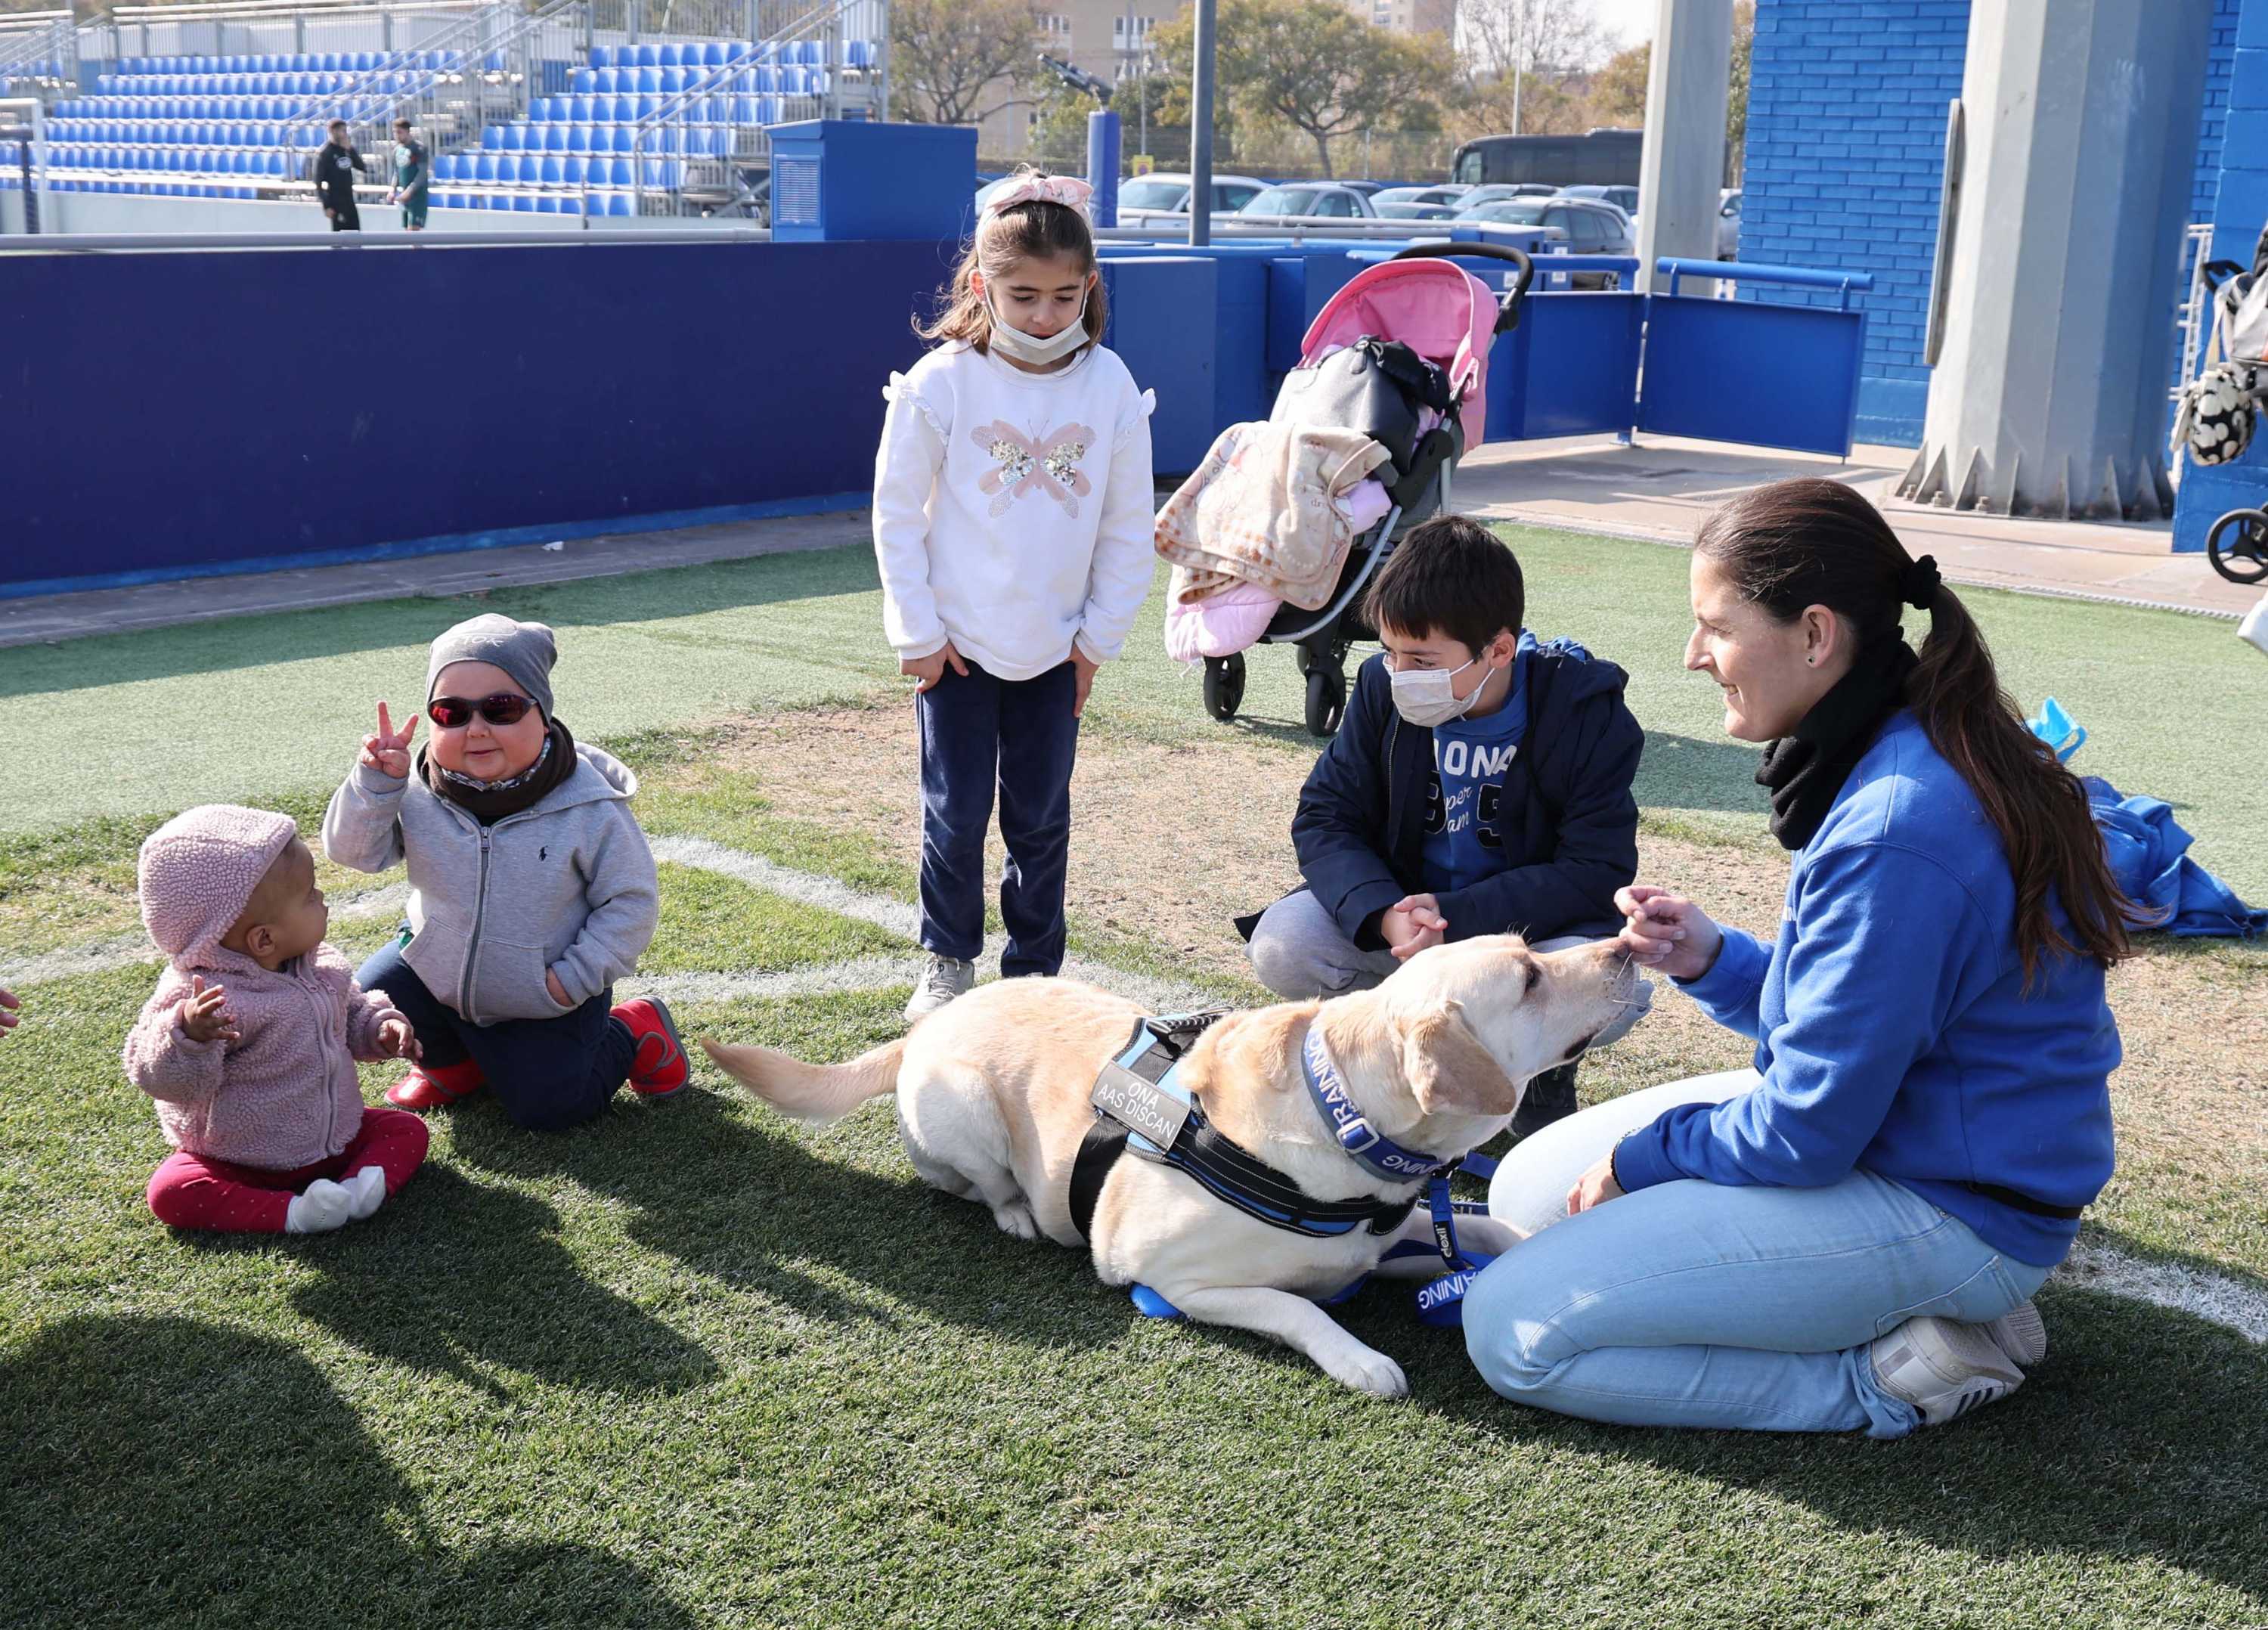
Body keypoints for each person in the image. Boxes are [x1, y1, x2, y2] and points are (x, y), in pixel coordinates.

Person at [1462, 478, 2130, 1437]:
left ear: (1816, 635)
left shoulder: (1896, 825)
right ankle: (1924, 1299)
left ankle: (1892, 1372)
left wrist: (1642, 1158)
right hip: (1908, 1137)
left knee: (1513, 1333)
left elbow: (1804, 1132)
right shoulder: (1908, 742)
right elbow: (1876, 1012)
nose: (1694, 654)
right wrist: (1715, 960)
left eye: (1717, 627)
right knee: (1527, 1192)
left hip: (1948, 1201)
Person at [1241, 515, 1650, 1139]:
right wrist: (1384, 912)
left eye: (1423, 659)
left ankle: (1539, 1070)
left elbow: (1597, 870)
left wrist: (1454, 916)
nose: (1401, 672)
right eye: (1390, 652)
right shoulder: (1381, 686)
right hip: (1408, 918)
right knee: (1284, 944)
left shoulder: (1583, 710)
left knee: (1617, 995)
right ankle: (1395, 1053)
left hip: (1526, 938)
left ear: (1499, 651)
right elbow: (1326, 814)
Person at [871, 167, 1156, 1022]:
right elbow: (896, 515)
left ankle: (1034, 974)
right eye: (1023, 295)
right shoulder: (940, 382)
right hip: (957, 647)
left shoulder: (1110, 384)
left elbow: (1127, 528)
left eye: (1064, 296)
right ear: (980, 286)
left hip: (1055, 651)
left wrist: (1095, 643)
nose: (1043, 315)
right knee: (955, 814)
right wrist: (919, 633)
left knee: (1039, 819)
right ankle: (949, 959)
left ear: (1090, 286)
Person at [323, 613, 686, 1129]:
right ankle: (451, 1064)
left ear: (543, 714)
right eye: (451, 712)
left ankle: (634, 1029)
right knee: (367, 997)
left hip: (543, 991)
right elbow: (355, 854)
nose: (476, 729)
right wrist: (375, 786)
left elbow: (630, 900)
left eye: (501, 708)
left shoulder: (588, 805)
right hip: (437, 969)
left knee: (552, 1109)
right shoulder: (419, 786)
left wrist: (570, 981)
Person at [125, 805, 430, 1235]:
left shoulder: (319, 966)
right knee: (172, 1190)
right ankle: (294, 1214)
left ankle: (357, 1190)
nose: (322, 898)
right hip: (236, 1159)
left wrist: (378, 1027)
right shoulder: (203, 998)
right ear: (264, 938)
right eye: (309, 895)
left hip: (336, 1140)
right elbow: (158, 1078)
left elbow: (351, 1011)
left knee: (405, 1129)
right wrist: (187, 1037)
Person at [313, 119, 366, 232]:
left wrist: (350, 150)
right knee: (339, 235)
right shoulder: (326, 152)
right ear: (333, 131)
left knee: (355, 232)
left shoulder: (347, 150)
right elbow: (318, 181)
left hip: (349, 199)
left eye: (345, 131)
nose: (345, 134)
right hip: (335, 200)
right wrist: (326, 205)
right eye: (342, 131)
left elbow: (362, 167)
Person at [387, 116, 429, 233]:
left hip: (417, 197)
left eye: (399, 132)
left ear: (407, 131)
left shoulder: (418, 148)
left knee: (413, 232)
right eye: (394, 132)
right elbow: (397, 172)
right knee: (406, 233)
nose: (396, 135)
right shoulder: (397, 150)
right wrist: (392, 189)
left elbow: (422, 173)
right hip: (405, 198)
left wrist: (409, 191)